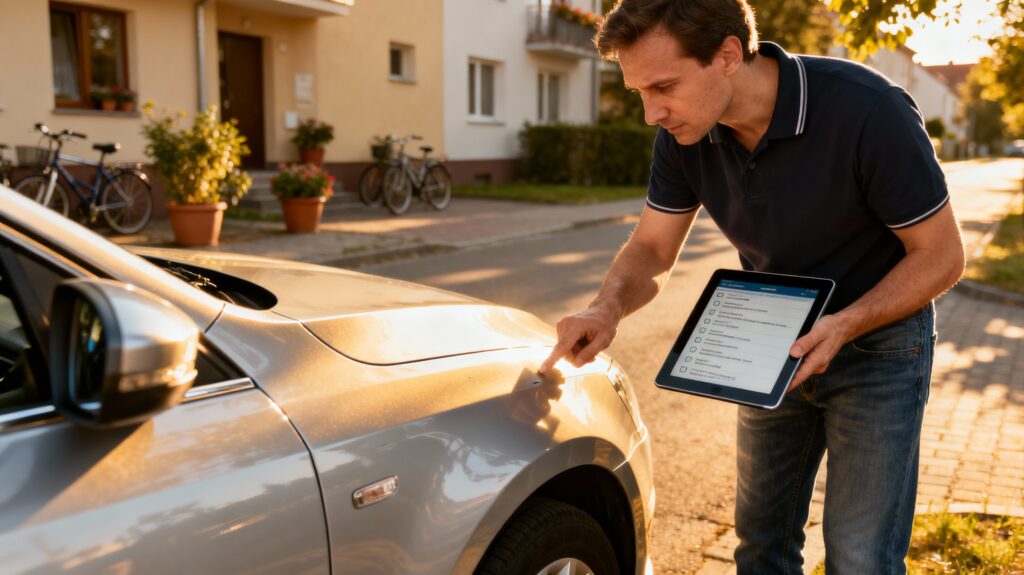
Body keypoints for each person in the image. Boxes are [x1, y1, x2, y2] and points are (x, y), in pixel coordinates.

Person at [536, 0, 965, 573]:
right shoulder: (685, 134)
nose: (650, 113)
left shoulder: (868, 110)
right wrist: (606, 307)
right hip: (771, 343)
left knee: (861, 558)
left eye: (663, 85)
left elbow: (942, 256)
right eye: (639, 90)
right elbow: (652, 249)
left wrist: (845, 323)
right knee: (760, 545)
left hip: (878, 343)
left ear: (729, 55)